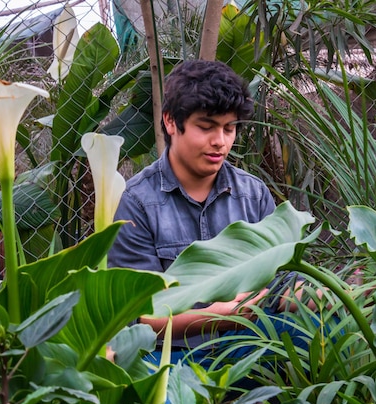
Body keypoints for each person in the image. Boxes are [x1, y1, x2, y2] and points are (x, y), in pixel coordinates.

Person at [107, 59, 308, 364]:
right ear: (172, 122)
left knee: (318, 332)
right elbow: (139, 319)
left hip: (246, 343)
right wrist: (219, 317)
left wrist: (331, 294)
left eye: (229, 129)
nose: (220, 142)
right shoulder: (137, 202)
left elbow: (279, 284)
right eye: (206, 127)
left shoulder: (253, 194)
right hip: (168, 356)